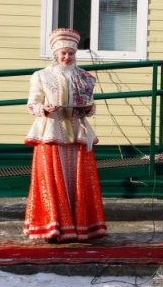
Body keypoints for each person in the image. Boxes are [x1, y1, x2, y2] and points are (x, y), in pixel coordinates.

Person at [24, 28, 107, 242]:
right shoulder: (41, 76)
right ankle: (53, 226)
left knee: (79, 179)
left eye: (71, 53)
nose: (67, 57)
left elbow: (90, 105)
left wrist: (88, 108)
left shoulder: (84, 77)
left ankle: (81, 226)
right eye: (63, 53)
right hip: (51, 131)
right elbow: (32, 104)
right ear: (56, 53)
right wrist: (44, 108)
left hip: (77, 131)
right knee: (52, 178)